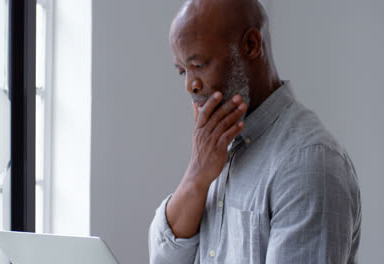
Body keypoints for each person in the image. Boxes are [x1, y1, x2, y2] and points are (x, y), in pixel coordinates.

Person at [148, 0, 362, 263]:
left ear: (251, 45)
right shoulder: (216, 149)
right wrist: (197, 174)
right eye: (183, 71)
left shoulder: (308, 162)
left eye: (200, 65)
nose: (190, 85)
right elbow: (162, 257)